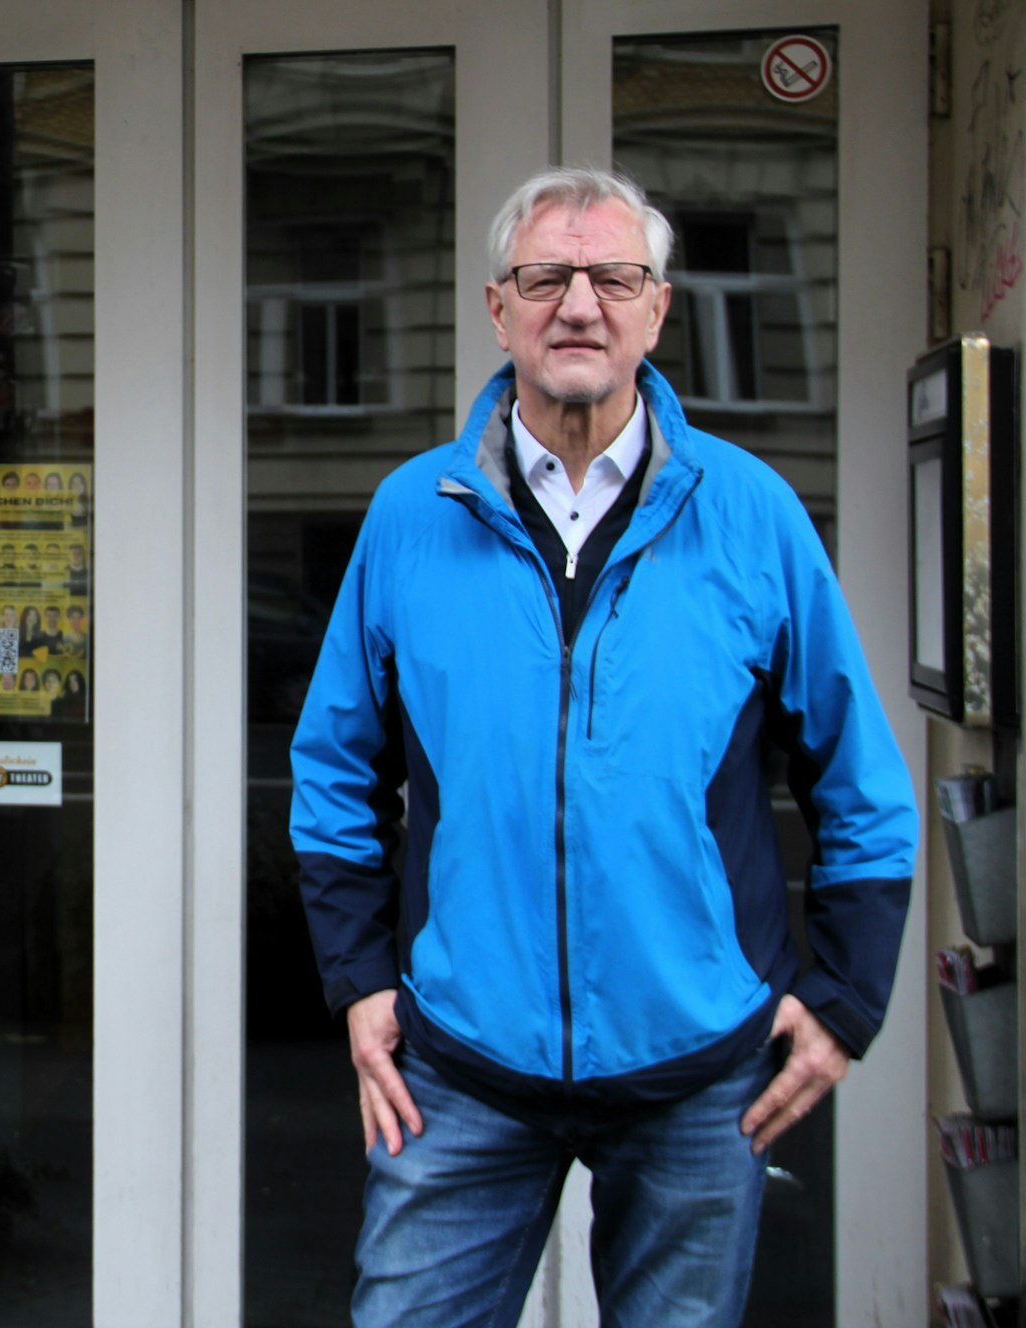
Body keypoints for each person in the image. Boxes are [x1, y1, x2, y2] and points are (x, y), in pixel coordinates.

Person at [288, 167, 918, 1328]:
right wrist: (359, 979)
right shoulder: (409, 513)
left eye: (611, 276)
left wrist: (843, 1002)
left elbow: (860, 778)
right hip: (460, 1068)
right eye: (545, 276)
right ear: (496, 306)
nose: (577, 302)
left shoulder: (750, 512)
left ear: (655, 308)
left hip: (696, 1072)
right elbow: (333, 767)